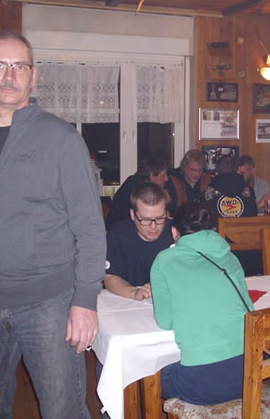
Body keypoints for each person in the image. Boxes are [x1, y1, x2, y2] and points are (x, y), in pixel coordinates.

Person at [0, 31, 105, 418]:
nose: (9, 75)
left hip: (49, 307)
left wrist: (85, 301)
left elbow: (90, 228)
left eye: (20, 66)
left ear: (34, 76)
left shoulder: (61, 139)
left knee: (62, 411)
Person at [150, 202, 253, 405]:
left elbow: (166, 322)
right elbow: (249, 309)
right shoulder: (230, 256)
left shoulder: (164, 260)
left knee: (148, 374)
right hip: (250, 373)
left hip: (203, 384)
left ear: (174, 232)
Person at [105, 182, 174, 300]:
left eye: (160, 218)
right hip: (128, 300)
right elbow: (110, 278)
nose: (153, 226)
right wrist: (134, 292)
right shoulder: (118, 234)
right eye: (145, 219)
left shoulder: (176, 233)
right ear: (133, 214)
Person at [105, 157, 169, 229]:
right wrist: (164, 201)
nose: (167, 179)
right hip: (121, 229)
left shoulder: (135, 181)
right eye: (163, 176)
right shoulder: (140, 187)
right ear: (152, 176)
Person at [165, 149, 212, 214]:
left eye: (200, 170)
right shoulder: (172, 181)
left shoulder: (207, 180)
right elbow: (171, 210)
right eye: (193, 170)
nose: (197, 174)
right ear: (184, 167)